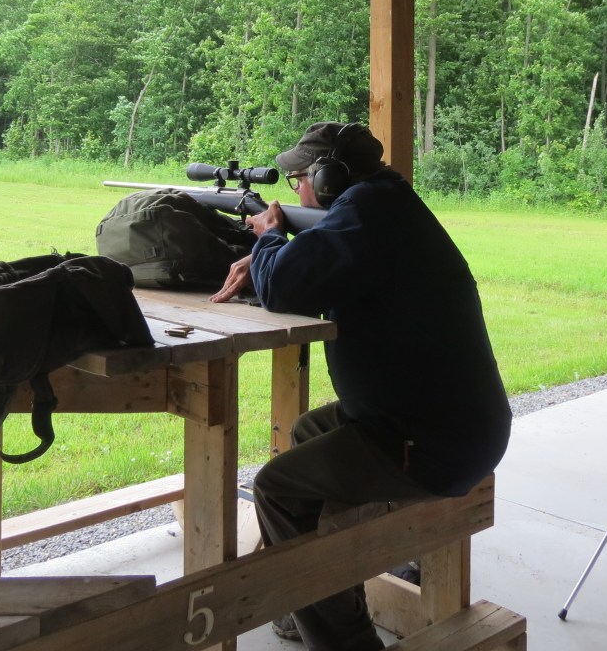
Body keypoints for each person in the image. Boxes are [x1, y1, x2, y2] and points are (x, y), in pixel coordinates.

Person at [211, 122, 512, 651]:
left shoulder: (365, 212)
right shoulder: (384, 205)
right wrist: (270, 255)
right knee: (308, 431)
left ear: (328, 178)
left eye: (301, 179)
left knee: (277, 488)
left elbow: (284, 285)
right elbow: (313, 277)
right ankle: (311, 597)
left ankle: (344, 641)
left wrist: (270, 236)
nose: (298, 190)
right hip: (437, 420)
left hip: (430, 440)